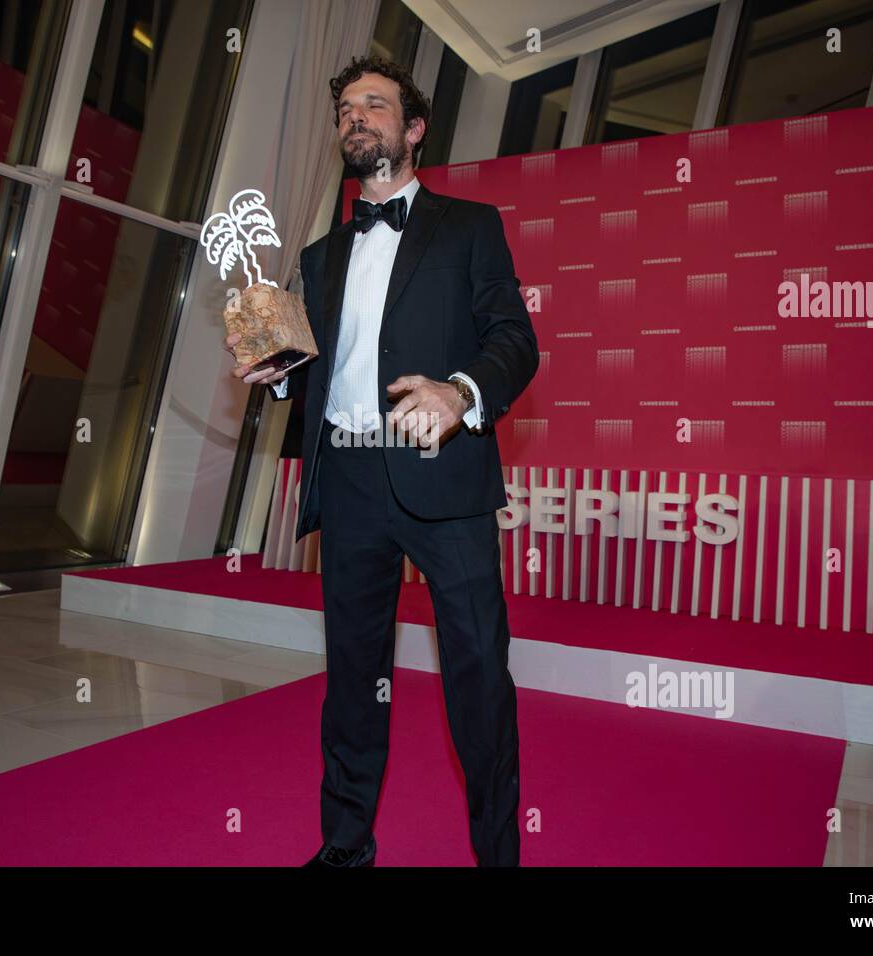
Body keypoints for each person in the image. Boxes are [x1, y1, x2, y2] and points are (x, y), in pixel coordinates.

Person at [223, 54, 538, 867]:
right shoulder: (321, 257)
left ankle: (499, 858)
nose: (355, 118)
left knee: (477, 677)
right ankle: (345, 847)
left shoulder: (470, 227)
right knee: (353, 679)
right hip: (354, 480)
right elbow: (323, 368)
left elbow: (516, 341)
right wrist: (279, 376)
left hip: (444, 473)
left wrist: (461, 392)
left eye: (374, 104)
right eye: (345, 111)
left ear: (414, 127)